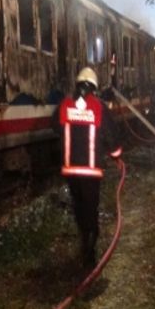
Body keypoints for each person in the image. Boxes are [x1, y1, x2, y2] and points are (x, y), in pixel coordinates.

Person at [52, 67, 122, 268]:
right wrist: (116, 155)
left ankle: (84, 244)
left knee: (80, 207)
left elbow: (54, 126)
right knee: (91, 209)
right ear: (94, 87)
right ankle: (89, 257)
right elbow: (111, 136)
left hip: (71, 170)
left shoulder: (65, 104)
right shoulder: (98, 106)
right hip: (91, 172)